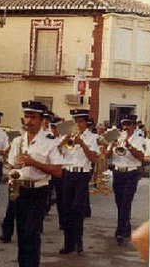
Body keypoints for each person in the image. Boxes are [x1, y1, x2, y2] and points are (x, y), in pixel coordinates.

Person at [8, 100, 62, 267]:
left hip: (39, 190)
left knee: (31, 232)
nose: (28, 121)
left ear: (41, 120)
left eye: (33, 117)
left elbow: (57, 171)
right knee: (22, 233)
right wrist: (13, 172)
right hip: (21, 189)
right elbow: (11, 165)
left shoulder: (50, 141)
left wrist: (33, 162)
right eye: (27, 116)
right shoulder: (17, 141)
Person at [59, 109, 99, 255]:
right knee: (66, 209)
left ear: (86, 122)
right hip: (68, 173)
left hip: (82, 175)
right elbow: (59, 153)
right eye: (75, 121)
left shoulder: (92, 138)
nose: (78, 124)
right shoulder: (67, 136)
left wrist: (82, 143)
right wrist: (62, 143)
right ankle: (68, 244)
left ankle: (78, 242)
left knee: (77, 209)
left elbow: (93, 159)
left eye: (81, 121)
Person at [105, 115, 145, 245]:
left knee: (125, 203)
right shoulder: (118, 137)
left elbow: (142, 157)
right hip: (117, 172)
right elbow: (106, 156)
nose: (126, 127)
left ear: (134, 126)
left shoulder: (139, 139)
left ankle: (120, 231)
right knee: (119, 202)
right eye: (124, 124)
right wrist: (111, 145)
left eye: (129, 124)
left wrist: (129, 146)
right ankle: (126, 226)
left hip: (131, 173)